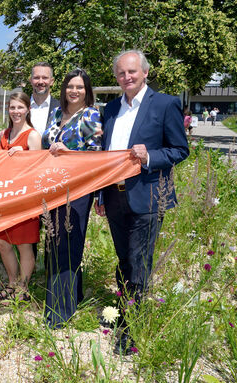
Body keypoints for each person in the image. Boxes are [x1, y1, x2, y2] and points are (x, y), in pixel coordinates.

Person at [94, 50, 188, 355]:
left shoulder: (165, 103)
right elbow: (105, 154)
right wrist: (99, 193)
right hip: (114, 196)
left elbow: (179, 149)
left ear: (145, 72)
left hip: (148, 196)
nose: (127, 78)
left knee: (139, 263)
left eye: (132, 72)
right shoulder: (110, 109)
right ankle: (126, 306)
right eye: (121, 73)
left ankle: (131, 330)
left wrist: (150, 156)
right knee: (124, 260)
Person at [41, 69, 102, 328]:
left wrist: (69, 153)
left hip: (77, 189)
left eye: (80, 87)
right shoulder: (56, 113)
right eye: (70, 86)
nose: (74, 91)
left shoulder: (90, 115)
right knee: (54, 244)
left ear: (87, 91)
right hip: (52, 187)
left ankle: (60, 312)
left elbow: (96, 154)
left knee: (69, 245)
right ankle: (70, 297)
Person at [0, 92, 41, 302]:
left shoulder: (32, 135)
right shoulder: (4, 134)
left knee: (24, 245)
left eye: (20, 107)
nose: (16, 112)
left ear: (27, 109)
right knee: (2, 243)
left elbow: (38, 168)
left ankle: (23, 288)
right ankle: (12, 284)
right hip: (5, 198)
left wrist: (25, 154)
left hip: (25, 199)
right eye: (12, 108)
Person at [29, 62, 60, 137]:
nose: (40, 82)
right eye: (36, 78)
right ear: (30, 80)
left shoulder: (61, 109)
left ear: (52, 81)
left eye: (45, 78)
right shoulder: (20, 107)